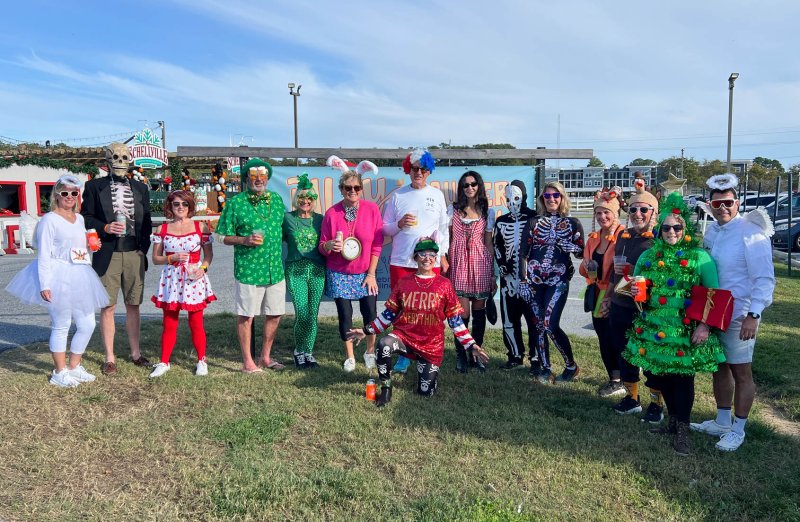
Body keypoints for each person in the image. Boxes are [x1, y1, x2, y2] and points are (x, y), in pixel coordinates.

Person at [624, 192, 725, 456]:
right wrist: (636, 293)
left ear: (685, 228)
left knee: (682, 380)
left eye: (677, 227)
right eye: (666, 227)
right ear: (659, 229)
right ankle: (671, 421)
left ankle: (683, 429)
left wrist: (704, 326)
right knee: (660, 377)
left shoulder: (699, 257)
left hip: (685, 332)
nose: (671, 231)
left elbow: (714, 294)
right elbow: (633, 286)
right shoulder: (648, 257)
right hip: (654, 330)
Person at [348, 237, 489, 407]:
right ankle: (386, 389)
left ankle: (427, 373)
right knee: (384, 344)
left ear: (435, 258)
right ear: (415, 257)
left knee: (425, 393)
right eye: (422, 254)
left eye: (431, 254)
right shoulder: (403, 283)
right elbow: (388, 315)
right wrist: (366, 330)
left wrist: (471, 345)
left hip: (431, 345)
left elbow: (455, 322)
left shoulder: (444, 285)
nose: (427, 258)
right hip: (404, 338)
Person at [690, 173, 776, 452]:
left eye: (728, 203)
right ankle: (722, 419)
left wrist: (754, 314)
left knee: (741, 372)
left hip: (740, 314)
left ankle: (738, 429)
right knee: (719, 367)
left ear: (737, 203)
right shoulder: (713, 230)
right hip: (715, 311)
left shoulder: (751, 232)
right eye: (717, 204)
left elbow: (764, 278)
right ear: (709, 205)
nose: (723, 208)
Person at [6, 175, 109, 387]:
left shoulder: (79, 219)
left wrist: (92, 246)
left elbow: (79, 248)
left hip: (80, 273)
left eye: (73, 193)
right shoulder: (49, 220)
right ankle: (59, 372)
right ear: (57, 195)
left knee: (87, 323)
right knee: (61, 324)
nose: (69, 197)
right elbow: (43, 254)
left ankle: (74, 366)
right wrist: (45, 284)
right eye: (65, 193)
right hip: (57, 274)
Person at [81, 142, 152, 376]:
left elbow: (147, 221)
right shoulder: (93, 186)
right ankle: (110, 357)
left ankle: (136, 353)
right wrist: (105, 227)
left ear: (130, 160)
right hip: (108, 252)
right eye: (115, 157)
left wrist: (144, 247)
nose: (120, 162)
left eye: (124, 157)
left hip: (133, 252)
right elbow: (86, 217)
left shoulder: (140, 188)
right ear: (107, 160)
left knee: (134, 304)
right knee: (108, 306)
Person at [215, 158, 286, 373]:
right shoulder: (236, 204)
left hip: (275, 268)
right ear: (246, 179)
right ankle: (248, 361)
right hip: (248, 269)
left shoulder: (276, 199)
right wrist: (243, 240)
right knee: (246, 315)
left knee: (275, 313)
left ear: (267, 179)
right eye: (253, 177)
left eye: (262, 177)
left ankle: (265, 356)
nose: (258, 180)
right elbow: (219, 236)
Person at [382, 148, 449, 374]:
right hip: (401, 261)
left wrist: (443, 254)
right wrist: (399, 224)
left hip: (429, 263)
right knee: (401, 311)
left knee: (429, 311)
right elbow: (385, 228)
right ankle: (404, 354)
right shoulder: (398, 195)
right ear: (408, 170)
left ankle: (425, 352)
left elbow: (443, 229)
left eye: (422, 169)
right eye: (413, 169)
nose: (418, 172)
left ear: (428, 171)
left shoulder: (437, 195)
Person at [607, 181, 666, 422]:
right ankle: (632, 399)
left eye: (644, 209)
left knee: (649, 356)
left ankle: (656, 404)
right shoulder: (623, 236)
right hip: (621, 304)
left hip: (646, 309)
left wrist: (635, 270)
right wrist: (609, 297)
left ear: (654, 212)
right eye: (633, 210)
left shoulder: (660, 240)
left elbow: (665, 278)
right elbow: (614, 273)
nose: (638, 214)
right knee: (626, 353)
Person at [319, 169, 383, 372]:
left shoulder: (372, 209)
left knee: (371, 314)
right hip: (339, 272)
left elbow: (377, 244)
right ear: (341, 189)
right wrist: (329, 245)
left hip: (365, 272)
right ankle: (350, 357)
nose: (352, 191)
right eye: (348, 188)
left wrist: (372, 274)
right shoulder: (332, 213)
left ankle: (370, 351)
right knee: (345, 315)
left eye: (356, 187)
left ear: (361, 190)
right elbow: (321, 245)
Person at [521, 181, 584, 383]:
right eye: (547, 196)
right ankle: (546, 368)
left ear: (562, 198)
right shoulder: (533, 222)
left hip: (558, 278)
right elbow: (523, 253)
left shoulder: (574, 223)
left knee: (549, 324)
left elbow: (582, 253)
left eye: (555, 195)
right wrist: (523, 280)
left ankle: (571, 366)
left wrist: (572, 247)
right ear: (542, 199)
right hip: (534, 279)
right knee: (538, 325)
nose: (551, 199)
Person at [148, 190, 216, 378]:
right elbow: (155, 259)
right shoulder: (161, 230)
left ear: (190, 207)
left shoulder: (200, 227)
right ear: (170, 206)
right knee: (169, 322)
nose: (180, 208)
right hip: (171, 278)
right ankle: (164, 362)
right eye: (176, 204)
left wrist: (203, 268)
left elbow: (208, 255)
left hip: (194, 277)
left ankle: (201, 360)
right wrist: (172, 258)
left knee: (196, 321)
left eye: (184, 204)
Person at [446, 170, 495, 373]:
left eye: (473, 184)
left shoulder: (487, 212)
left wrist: (493, 273)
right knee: (462, 313)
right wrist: (447, 262)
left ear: (479, 185)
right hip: (458, 264)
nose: (470, 188)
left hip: (480, 263)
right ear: (461, 188)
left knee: (479, 313)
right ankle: (461, 355)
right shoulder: (453, 210)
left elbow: (489, 244)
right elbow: (447, 239)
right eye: (465, 185)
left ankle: (476, 355)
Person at [578, 190, 624, 394]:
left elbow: (625, 270)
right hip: (597, 292)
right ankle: (614, 379)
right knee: (603, 337)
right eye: (598, 213)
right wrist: (587, 267)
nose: (602, 217)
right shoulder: (593, 238)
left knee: (618, 338)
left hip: (618, 294)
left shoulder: (624, 236)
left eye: (607, 212)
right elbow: (584, 269)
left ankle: (625, 379)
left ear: (616, 213)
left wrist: (611, 296)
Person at [494, 181, 537, 371]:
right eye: (509, 198)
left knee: (534, 320)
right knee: (509, 321)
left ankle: (536, 358)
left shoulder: (535, 218)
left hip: (531, 280)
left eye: (517, 197)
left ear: (524, 197)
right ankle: (515, 355)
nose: (513, 202)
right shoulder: (501, 221)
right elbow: (497, 245)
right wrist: (502, 264)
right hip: (508, 281)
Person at [283, 173, 326, 369]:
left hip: (317, 269)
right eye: (301, 198)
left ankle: (309, 352)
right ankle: (298, 351)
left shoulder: (321, 220)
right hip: (296, 269)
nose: (305, 201)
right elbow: (273, 237)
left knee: (313, 313)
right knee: (302, 312)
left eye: (309, 198)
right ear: (296, 199)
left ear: (314, 200)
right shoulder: (287, 218)